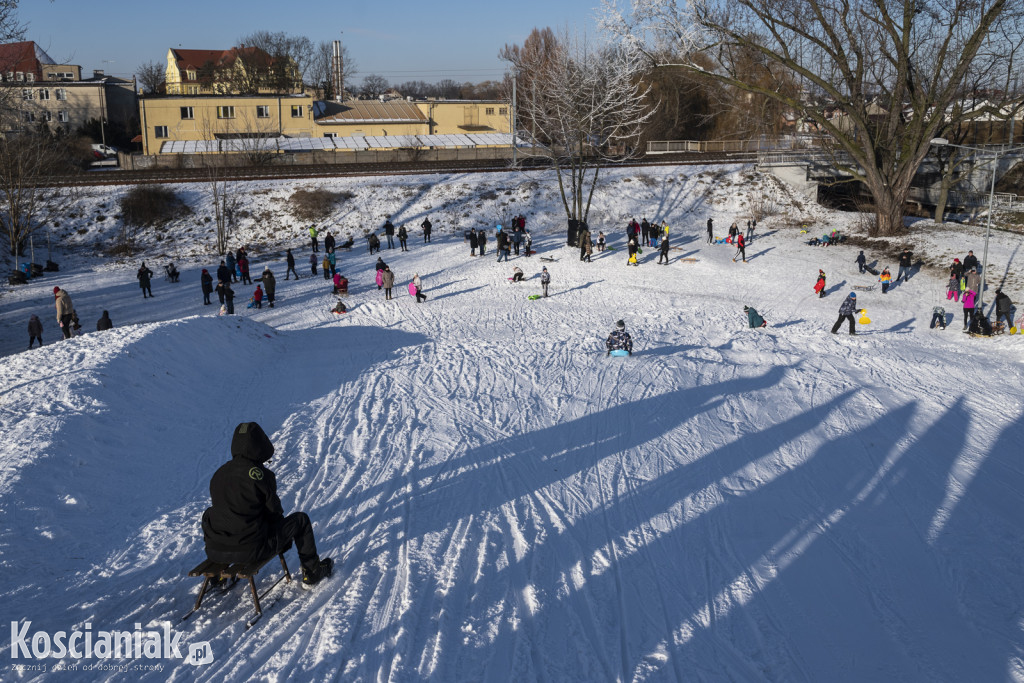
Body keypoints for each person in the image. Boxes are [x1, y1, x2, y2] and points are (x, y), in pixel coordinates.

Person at [202, 422, 333, 587]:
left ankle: (218, 577)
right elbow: (274, 513)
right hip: (252, 549)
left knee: (212, 513)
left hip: (216, 550)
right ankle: (312, 571)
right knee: (300, 520)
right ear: (260, 445)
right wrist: (282, 540)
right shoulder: (260, 475)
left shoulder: (219, 473)